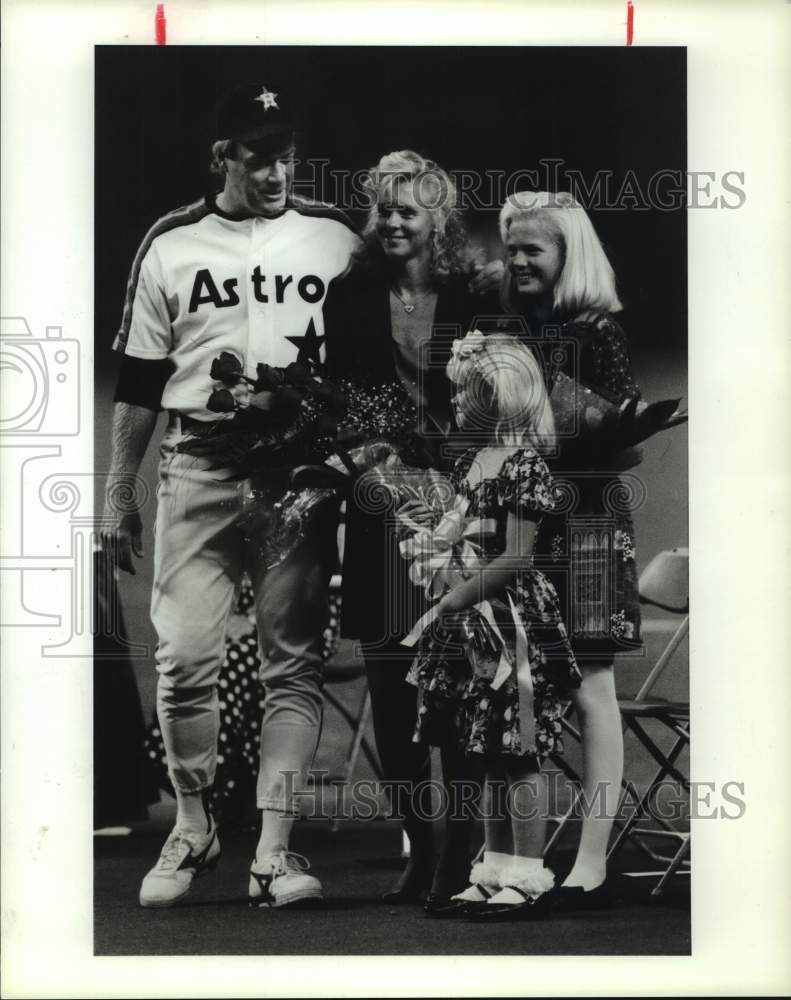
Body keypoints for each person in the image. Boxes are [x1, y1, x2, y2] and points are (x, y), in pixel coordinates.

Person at [102, 83, 359, 909]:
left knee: (293, 663)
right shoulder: (172, 242)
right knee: (183, 658)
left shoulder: (335, 236)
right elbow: (139, 381)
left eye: (288, 156)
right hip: (198, 464)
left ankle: (275, 850)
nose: (279, 172)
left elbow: (375, 354)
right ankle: (192, 825)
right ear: (224, 157)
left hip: (299, 476)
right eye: (261, 157)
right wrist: (117, 492)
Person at [323, 150, 501, 906]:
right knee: (390, 683)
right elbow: (338, 397)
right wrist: (372, 464)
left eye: (410, 210)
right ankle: (420, 845)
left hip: (461, 509)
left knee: (453, 684)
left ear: (439, 218)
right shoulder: (349, 293)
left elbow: (501, 397)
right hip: (379, 508)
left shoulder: (476, 294)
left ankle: (459, 848)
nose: (394, 222)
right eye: (384, 209)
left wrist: (461, 470)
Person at [399, 332, 581, 920]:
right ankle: (495, 868)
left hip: (512, 622)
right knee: (486, 751)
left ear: (498, 397)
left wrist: (456, 597)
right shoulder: (472, 462)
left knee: (518, 750)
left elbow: (518, 555)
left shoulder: (523, 464)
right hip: (475, 625)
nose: (454, 403)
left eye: (464, 394)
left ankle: (528, 875)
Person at [498, 190, 643, 907]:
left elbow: (624, 442)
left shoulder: (596, 331)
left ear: (567, 254)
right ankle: (511, 855)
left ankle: (591, 859)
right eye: (512, 248)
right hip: (531, 525)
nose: (518, 260)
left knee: (591, 687)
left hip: (586, 527)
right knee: (521, 681)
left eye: (533, 248)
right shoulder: (519, 326)